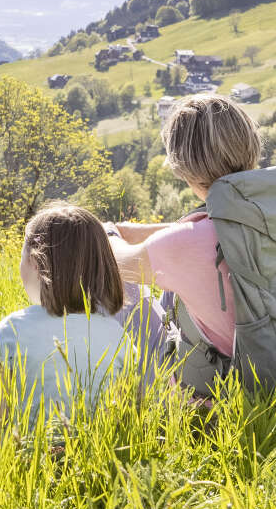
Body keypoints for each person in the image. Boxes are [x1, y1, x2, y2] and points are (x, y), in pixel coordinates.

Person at [105, 93, 262, 387]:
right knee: (172, 292)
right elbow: (202, 232)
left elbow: (114, 260)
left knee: (110, 278)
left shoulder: (186, 244)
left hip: (218, 392)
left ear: (183, 165)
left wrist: (109, 233)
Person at [0, 203, 134, 433]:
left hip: (24, 458)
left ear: (35, 263)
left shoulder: (12, 330)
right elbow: (124, 415)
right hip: (92, 456)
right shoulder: (117, 335)